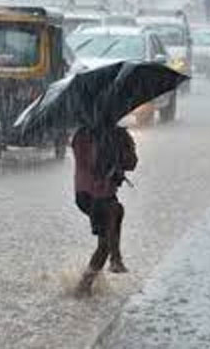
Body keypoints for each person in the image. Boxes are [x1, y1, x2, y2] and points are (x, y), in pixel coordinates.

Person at [72, 125, 138, 297]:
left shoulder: (111, 134)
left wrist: (123, 147)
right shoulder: (89, 135)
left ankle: (109, 262)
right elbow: (92, 163)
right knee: (107, 234)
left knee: (116, 213)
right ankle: (87, 283)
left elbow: (130, 163)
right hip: (93, 194)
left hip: (96, 194)